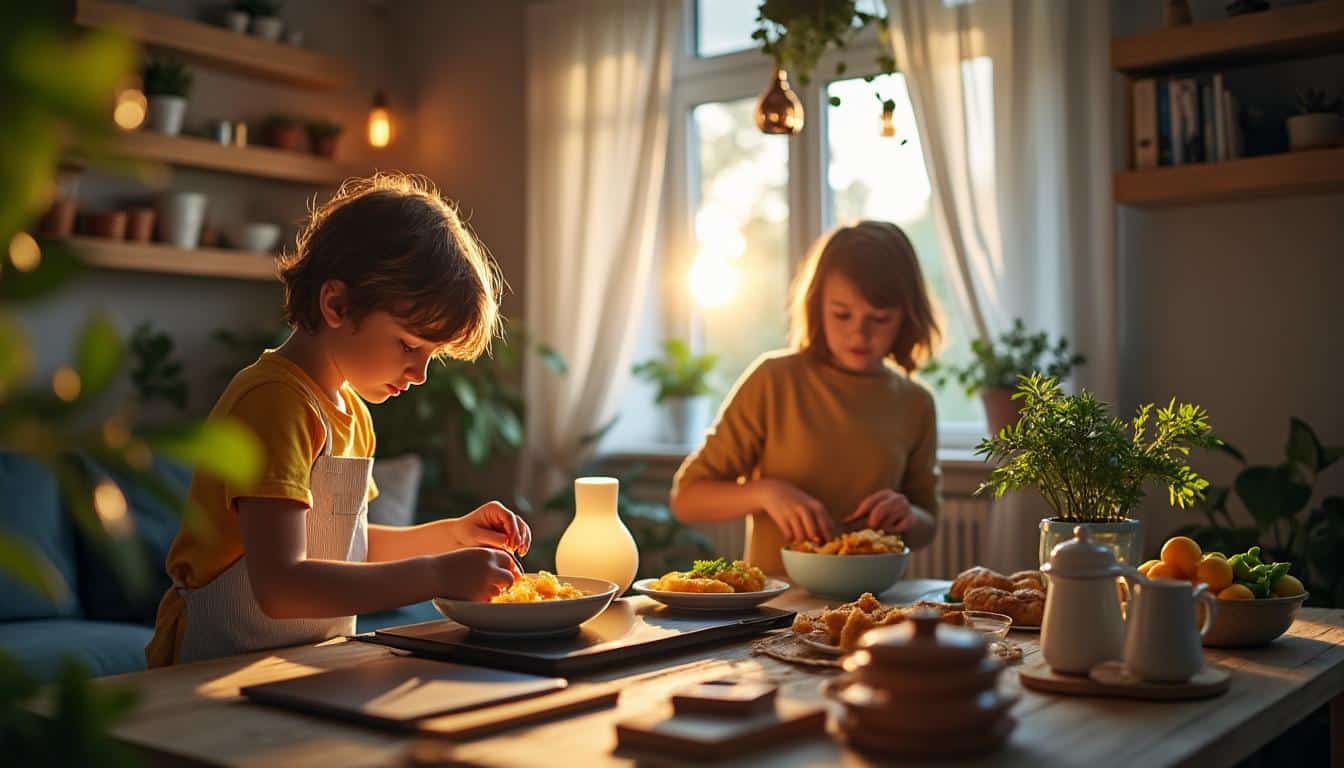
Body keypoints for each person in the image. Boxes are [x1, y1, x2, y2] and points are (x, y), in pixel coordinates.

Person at [147, 174, 528, 666]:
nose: (418, 373)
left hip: (298, 665)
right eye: (409, 345)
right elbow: (281, 586)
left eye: (431, 355)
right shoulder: (274, 402)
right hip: (214, 667)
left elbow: (353, 546)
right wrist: (435, 573)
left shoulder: (353, 415)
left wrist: (454, 534)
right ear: (336, 305)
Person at [670, 220, 942, 574]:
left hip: (872, 608)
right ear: (817, 305)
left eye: (879, 318)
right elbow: (687, 500)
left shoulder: (915, 403)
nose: (858, 333)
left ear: (907, 318)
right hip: (775, 610)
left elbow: (927, 525)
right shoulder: (773, 380)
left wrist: (907, 515)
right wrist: (765, 492)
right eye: (841, 314)